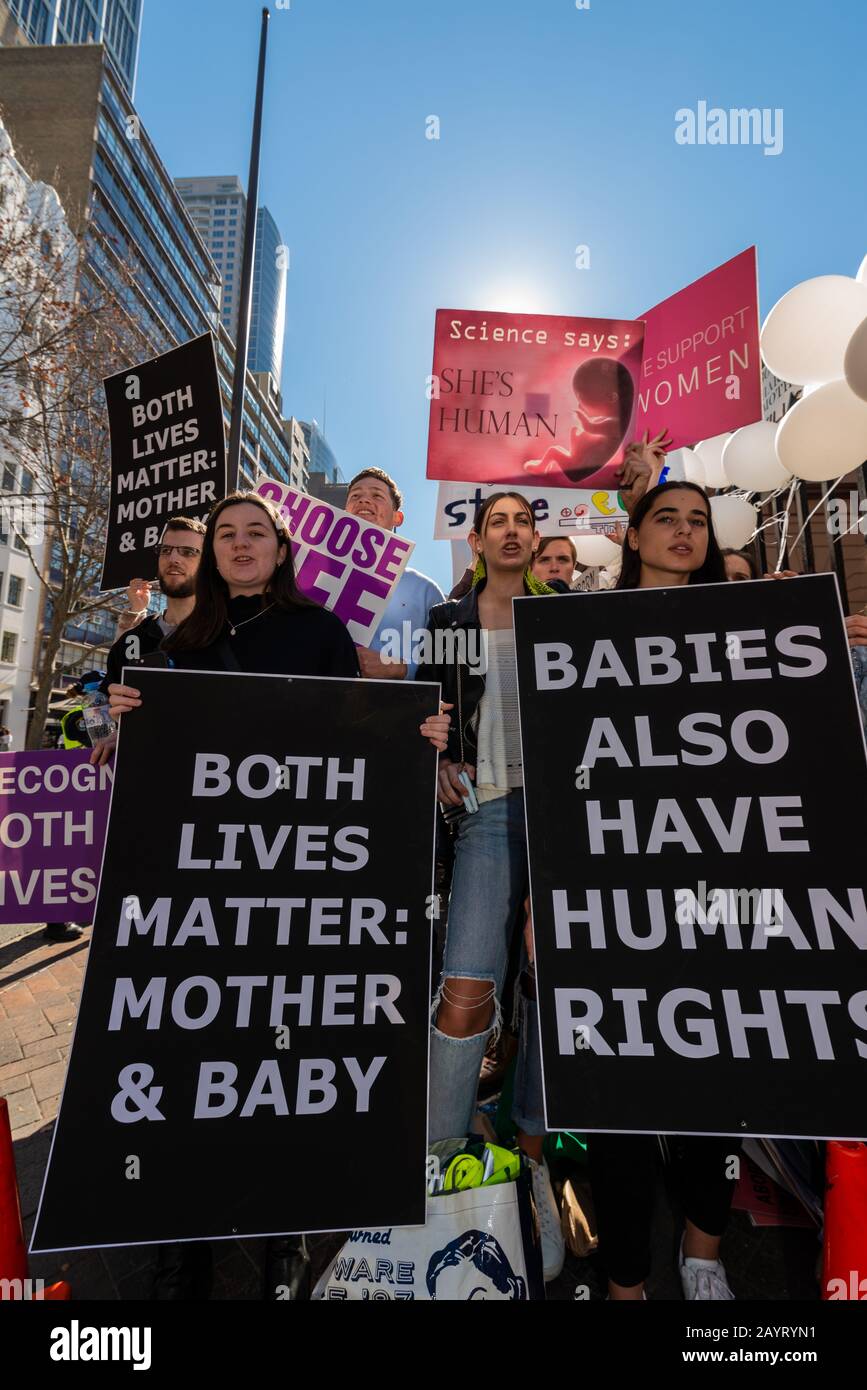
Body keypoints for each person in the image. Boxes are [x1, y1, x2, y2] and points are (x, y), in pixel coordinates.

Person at [105, 490, 450, 1300]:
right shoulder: (176, 641)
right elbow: (152, 758)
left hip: (296, 883)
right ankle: (177, 1256)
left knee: (283, 1060)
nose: (237, 543)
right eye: (225, 534)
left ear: (280, 548)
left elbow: (359, 735)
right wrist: (126, 724)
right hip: (199, 889)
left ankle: (282, 1250)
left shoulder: (319, 632)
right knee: (195, 1066)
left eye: (254, 531)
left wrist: (415, 734)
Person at [580, 481, 739, 1301]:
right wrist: (546, 898)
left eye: (697, 522)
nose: (683, 532)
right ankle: (625, 1279)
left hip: (719, 884)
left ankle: (703, 1253)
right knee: (619, 1084)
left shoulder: (747, 630)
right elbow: (562, 772)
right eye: (665, 518)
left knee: (717, 1067)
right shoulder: (581, 634)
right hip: (612, 889)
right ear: (632, 536)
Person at [92, 518, 206, 768]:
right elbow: (96, 706)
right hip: (143, 781)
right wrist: (109, 735)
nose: (173, 558)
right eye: (166, 550)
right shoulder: (133, 640)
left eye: (188, 552)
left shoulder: (228, 632)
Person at [344, 468, 445, 678]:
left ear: (397, 518)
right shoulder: (311, 580)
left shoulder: (425, 591)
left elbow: (445, 663)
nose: (363, 500)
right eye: (355, 495)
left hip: (402, 705)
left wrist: (399, 668)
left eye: (376, 495)